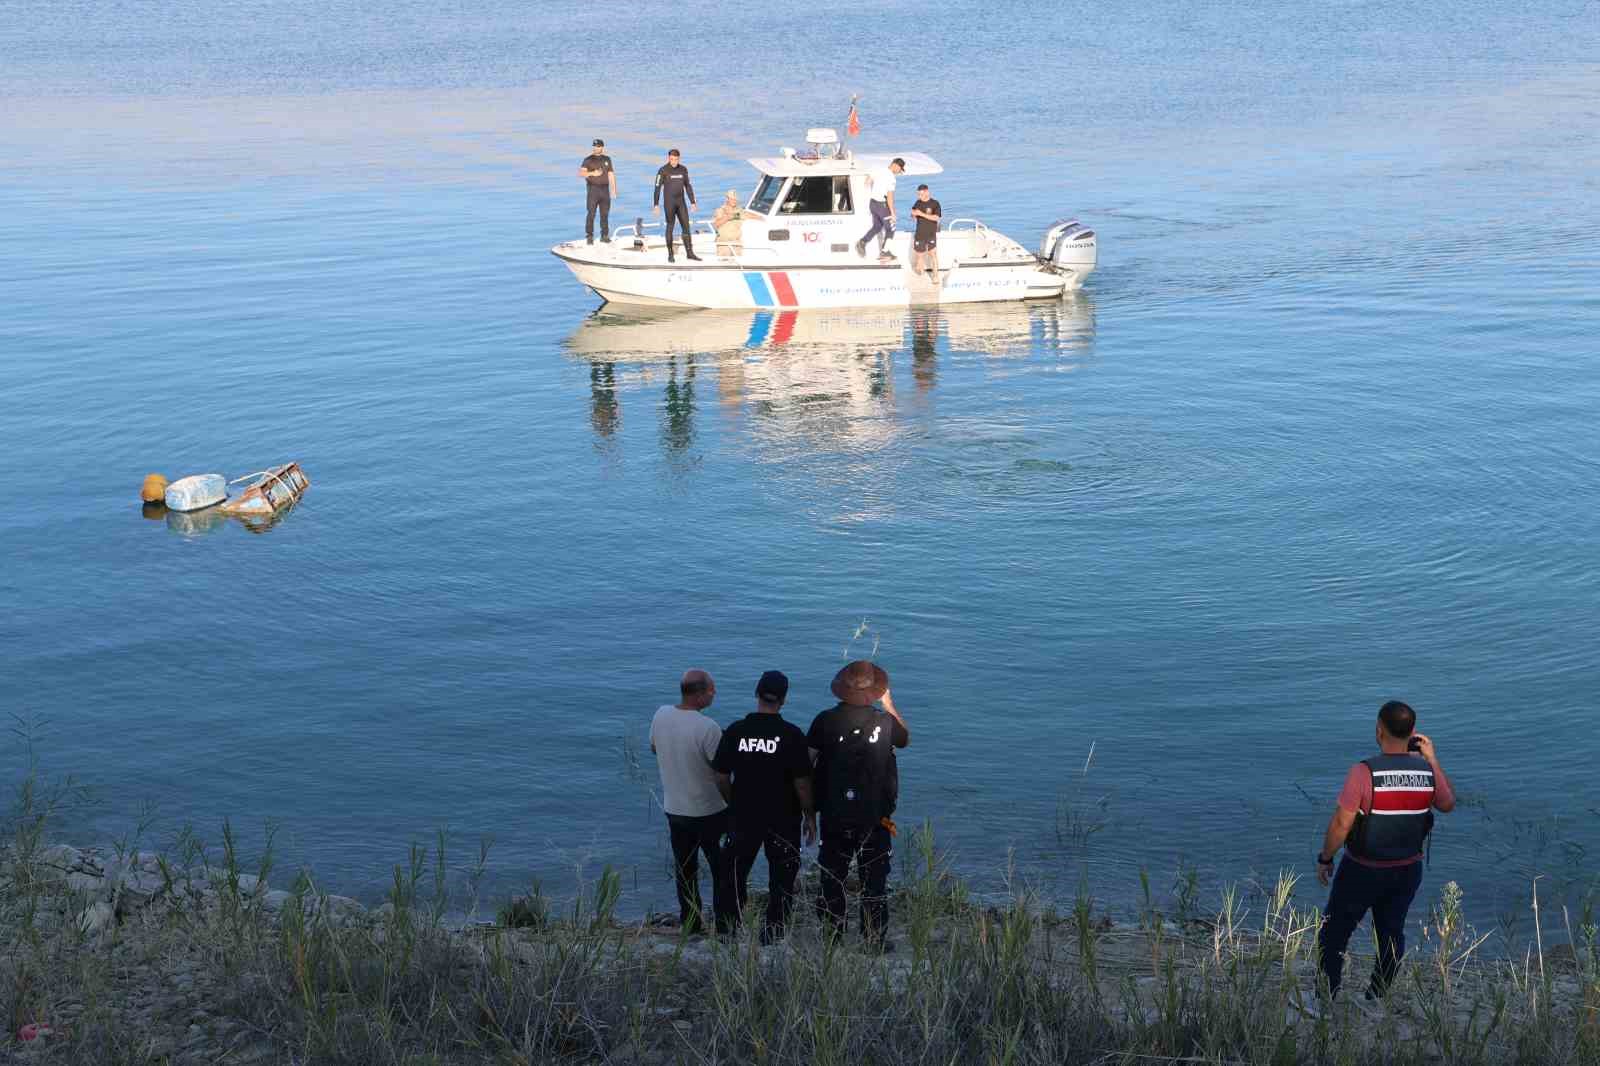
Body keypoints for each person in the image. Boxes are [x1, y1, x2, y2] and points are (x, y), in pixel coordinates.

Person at [1315, 700, 1456, 1001]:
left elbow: (1341, 823)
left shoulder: (1364, 772)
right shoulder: (1426, 772)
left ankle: (1325, 1000)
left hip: (1362, 869)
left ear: (1379, 731)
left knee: (1334, 933)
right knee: (1391, 936)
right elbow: (1446, 804)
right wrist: (1432, 760)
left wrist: (1325, 858)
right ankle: (1376, 999)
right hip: (1407, 870)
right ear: (1413, 733)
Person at [808, 660, 910, 949]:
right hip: (875, 815)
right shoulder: (885, 722)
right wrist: (889, 703)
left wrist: (808, 811)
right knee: (874, 878)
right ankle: (874, 940)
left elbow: (807, 763)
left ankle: (832, 936)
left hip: (834, 812)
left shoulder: (824, 720)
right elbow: (905, 739)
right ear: (875, 692)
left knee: (832, 873)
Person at [712, 671, 817, 942]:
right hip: (783, 817)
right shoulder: (792, 735)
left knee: (733, 873)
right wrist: (810, 816)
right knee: (782, 876)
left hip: (744, 814)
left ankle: (727, 930)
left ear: (756, 694)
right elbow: (802, 783)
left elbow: (721, 776)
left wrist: (732, 802)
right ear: (783, 700)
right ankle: (773, 932)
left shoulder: (736, 731)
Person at [649, 669, 734, 934]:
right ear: (699, 693)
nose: (714, 693)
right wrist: (734, 804)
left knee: (685, 870)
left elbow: (654, 747)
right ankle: (724, 925)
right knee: (722, 870)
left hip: (675, 809)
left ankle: (691, 923)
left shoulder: (661, 714)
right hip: (710, 811)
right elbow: (722, 771)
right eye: (712, 689)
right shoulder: (707, 727)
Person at [653, 148, 699, 262]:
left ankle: (690, 253)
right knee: (670, 226)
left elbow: (688, 186)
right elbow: (657, 188)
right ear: (669, 158)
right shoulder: (663, 170)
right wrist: (656, 204)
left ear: (679, 159)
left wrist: (692, 202)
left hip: (681, 203)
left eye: (676, 159)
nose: (674, 162)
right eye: (672, 159)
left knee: (686, 227)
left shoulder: (683, 169)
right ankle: (670, 254)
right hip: (669, 203)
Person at [855, 157, 905, 261]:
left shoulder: (878, 169)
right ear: (895, 165)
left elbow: (867, 182)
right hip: (882, 205)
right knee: (891, 228)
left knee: (877, 226)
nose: (899, 172)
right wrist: (892, 213)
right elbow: (890, 197)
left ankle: (862, 242)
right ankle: (885, 252)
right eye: (900, 170)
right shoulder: (891, 178)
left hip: (872, 203)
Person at [578, 138, 616, 245]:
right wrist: (592, 173)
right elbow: (581, 173)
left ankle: (604, 235)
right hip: (593, 190)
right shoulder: (588, 159)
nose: (596, 148)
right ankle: (589, 236)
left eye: (598, 146)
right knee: (591, 213)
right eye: (594, 146)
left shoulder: (607, 159)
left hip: (605, 190)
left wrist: (613, 190)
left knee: (605, 214)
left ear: (602, 147)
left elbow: (611, 174)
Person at [909, 184, 942, 283]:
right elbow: (913, 216)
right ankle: (921, 272)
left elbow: (936, 218)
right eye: (918, 194)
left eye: (921, 194)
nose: (920, 196)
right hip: (919, 234)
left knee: (933, 255)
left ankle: (935, 276)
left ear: (927, 192)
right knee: (920, 256)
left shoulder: (935, 203)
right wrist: (913, 215)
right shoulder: (917, 203)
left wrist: (921, 214)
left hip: (931, 234)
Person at [711, 189, 743, 257]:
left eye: (735, 199)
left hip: (736, 243)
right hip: (724, 243)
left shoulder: (739, 210)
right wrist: (726, 218)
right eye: (732, 199)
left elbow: (745, 215)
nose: (734, 201)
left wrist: (760, 217)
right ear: (727, 199)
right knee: (724, 263)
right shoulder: (720, 210)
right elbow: (715, 225)